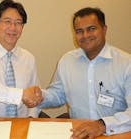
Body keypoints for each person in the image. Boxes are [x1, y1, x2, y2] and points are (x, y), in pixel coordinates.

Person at [40, 7, 131, 138]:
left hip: (116, 134)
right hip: (79, 134)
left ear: (104, 29)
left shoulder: (126, 63)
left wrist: (101, 125)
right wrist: (40, 96)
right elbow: (58, 94)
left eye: (91, 29)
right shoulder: (67, 61)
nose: (85, 35)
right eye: (79, 31)